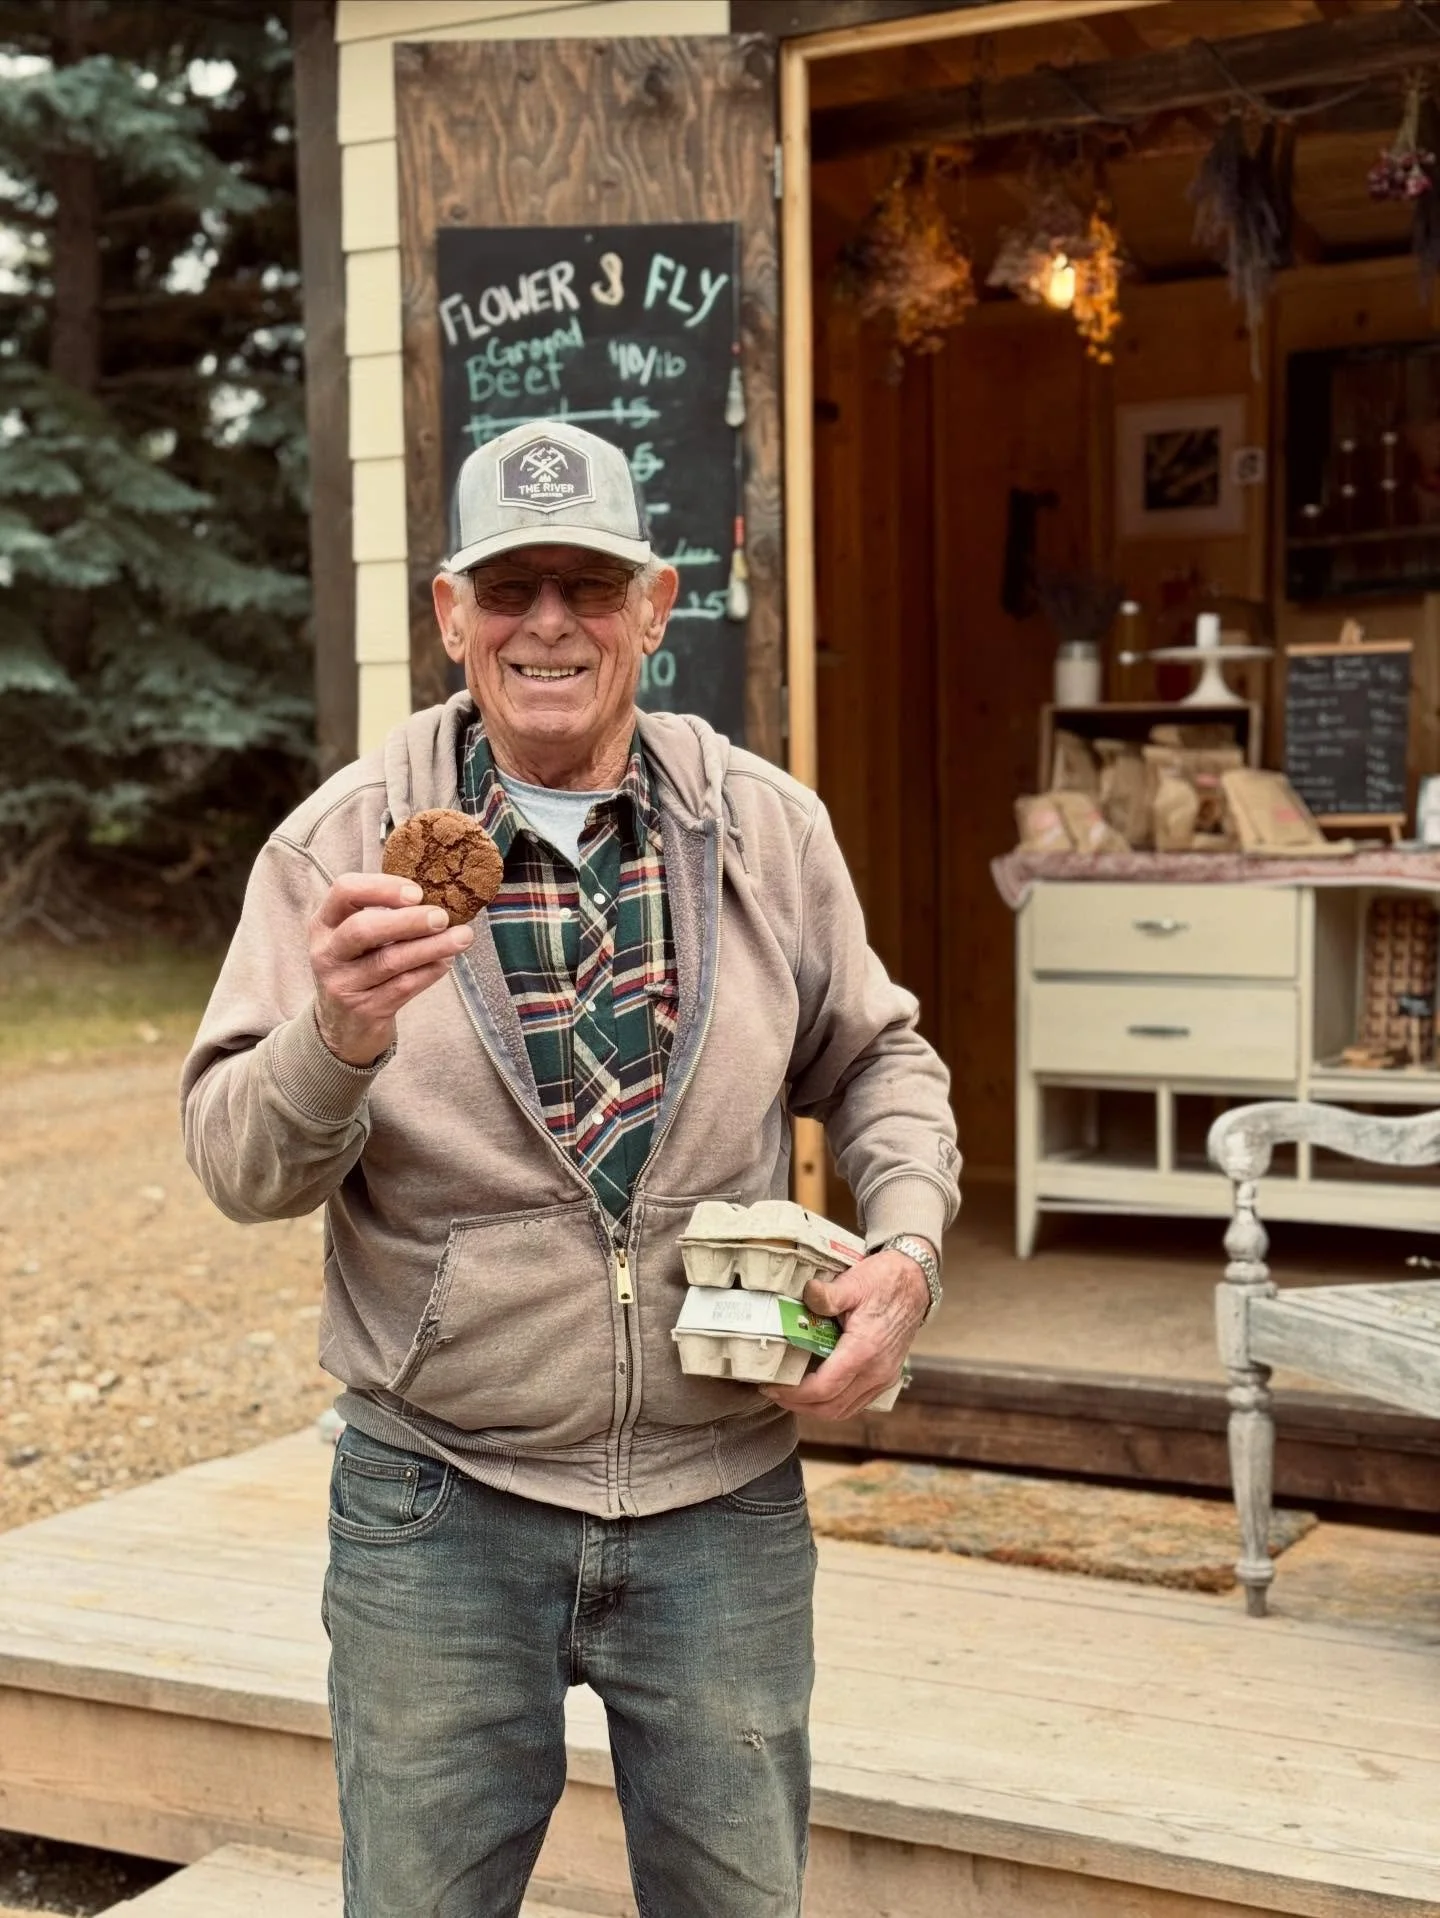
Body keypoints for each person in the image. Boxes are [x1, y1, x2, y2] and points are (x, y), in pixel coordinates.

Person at [182, 418, 960, 1918]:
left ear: (655, 607)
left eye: (590, 585)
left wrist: (908, 1251)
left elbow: (880, 1061)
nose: (549, 622)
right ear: (451, 614)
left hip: (721, 1497)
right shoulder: (338, 850)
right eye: (510, 586)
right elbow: (236, 1162)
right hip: (438, 1505)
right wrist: (337, 1035)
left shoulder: (765, 829)